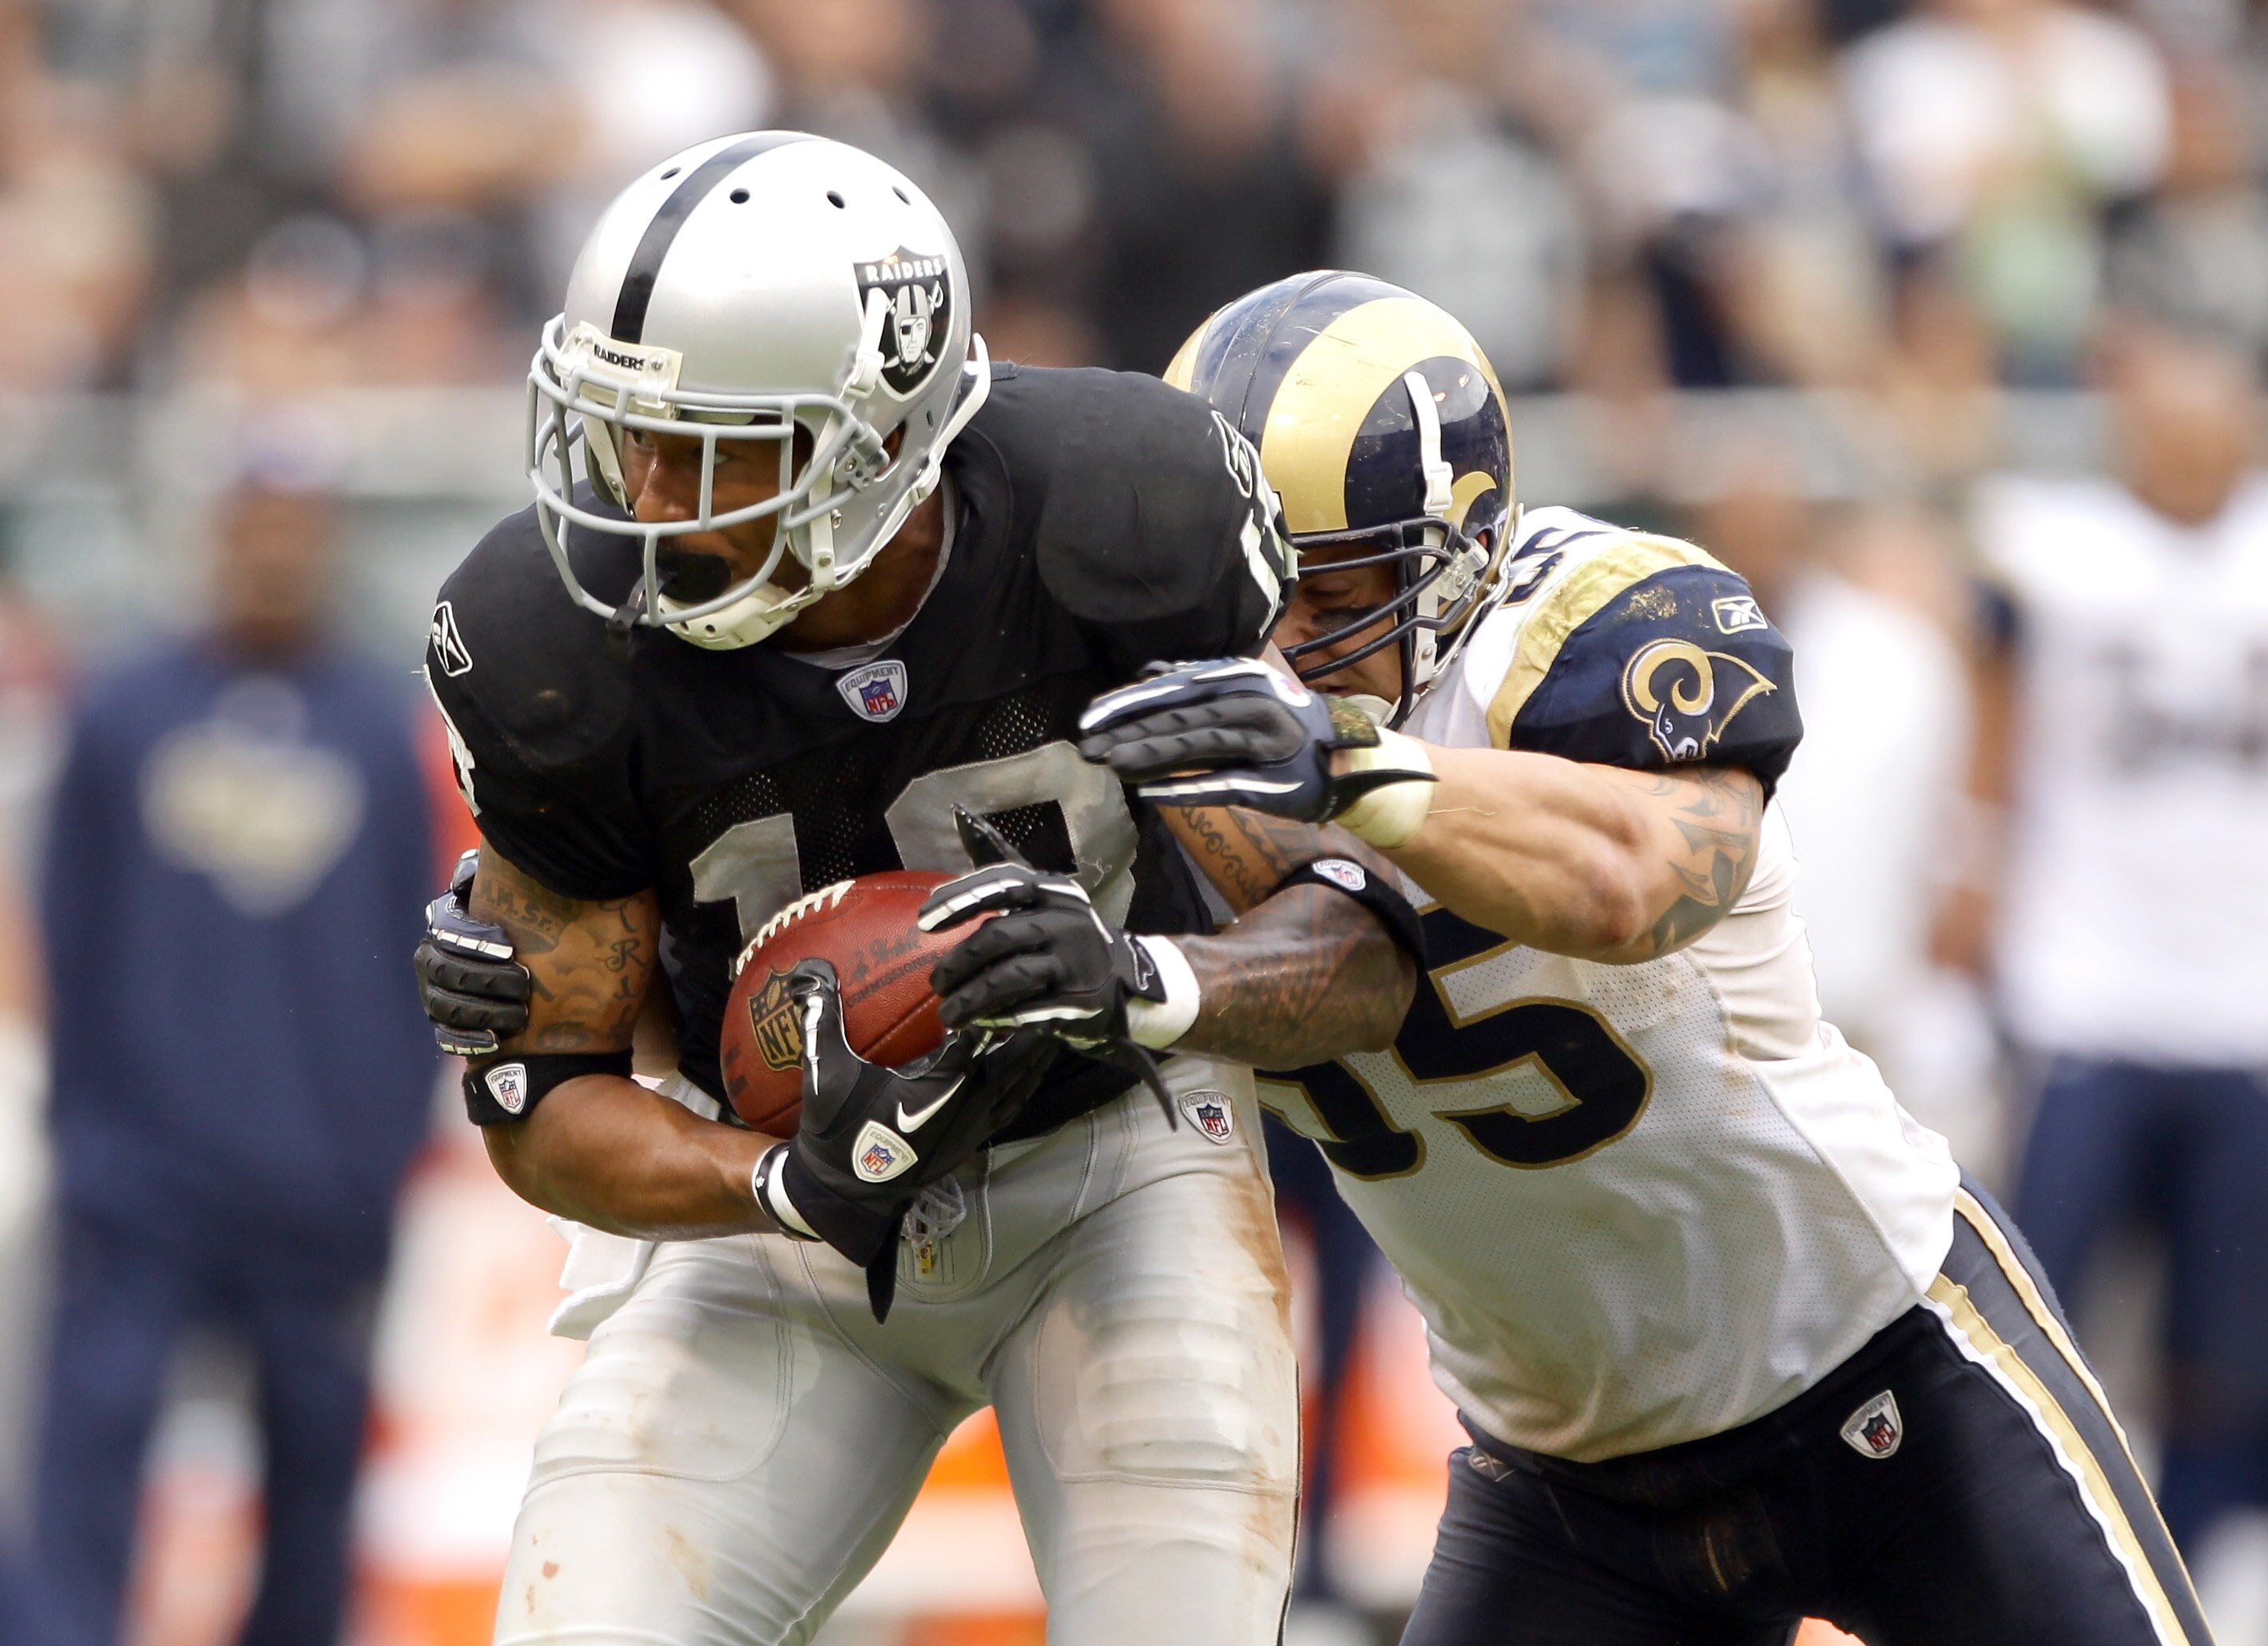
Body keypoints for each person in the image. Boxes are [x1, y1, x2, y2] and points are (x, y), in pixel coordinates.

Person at [1078, 270, 2213, 1646]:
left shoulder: (1568, 629)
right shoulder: (1147, 725)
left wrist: (1354, 766)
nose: (1276, 641)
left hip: (1885, 1367)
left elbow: (1641, 882)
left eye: (1323, 589)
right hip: (1566, 1479)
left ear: (1455, 546)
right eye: (1242, 584)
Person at [411, 133, 1420, 1645]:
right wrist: (776, 1184)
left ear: (883, 437)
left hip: (1110, 1160)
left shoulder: (1125, 510)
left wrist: (1153, 983)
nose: (646, 495)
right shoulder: (553, 645)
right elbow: (544, 1107)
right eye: (629, 434)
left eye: (719, 445)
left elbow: (1355, 947)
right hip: (763, 1210)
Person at [30, 450, 437, 1646]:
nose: (271, 551)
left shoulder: (378, 728)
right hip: (141, 1181)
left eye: (293, 527)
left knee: (316, 1490)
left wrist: (380, 1153)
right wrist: (91, 1138)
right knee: (89, 1461)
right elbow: (70, 928)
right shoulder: (119, 709)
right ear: (214, 534)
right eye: (252, 524)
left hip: (321, 1193)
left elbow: (409, 943)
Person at [1954, 316, 2268, 1566]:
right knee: (2040, 1315)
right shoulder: (2056, 546)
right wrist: (1968, 867)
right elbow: (1990, 703)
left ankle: (2190, 1570)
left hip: (2246, 1003)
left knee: (2224, 1342)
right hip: (2084, 986)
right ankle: (2038, 1575)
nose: (2187, 441)